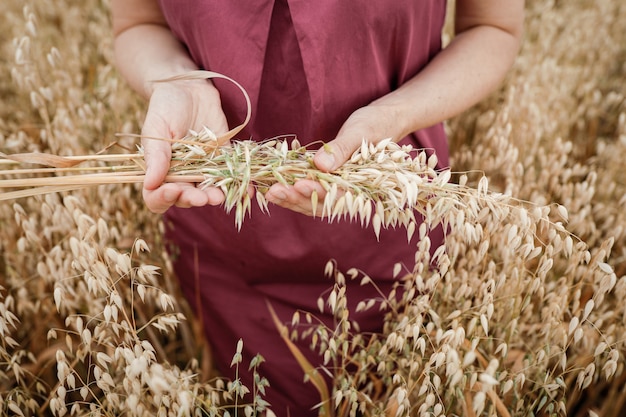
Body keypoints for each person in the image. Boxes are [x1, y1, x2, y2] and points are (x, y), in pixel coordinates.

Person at [111, 1, 524, 415]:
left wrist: (394, 115)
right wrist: (179, 82)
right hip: (221, 231)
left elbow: (493, 27)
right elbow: (137, 23)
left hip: (386, 230)